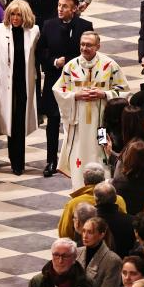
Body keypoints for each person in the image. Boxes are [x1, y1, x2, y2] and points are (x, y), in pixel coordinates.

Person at [53, 31, 128, 188]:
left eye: (89, 45)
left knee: (102, 154)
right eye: (82, 44)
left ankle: (103, 191)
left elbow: (124, 91)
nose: (84, 48)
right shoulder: (71, 66)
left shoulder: (110, 65)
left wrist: (104, 94)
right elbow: (58, 90)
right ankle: (80, 190)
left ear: (98, 46)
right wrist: (75, 95)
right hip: (79, 125)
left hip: (101, 124)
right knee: (78, 157)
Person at [38, 0, 94, 177]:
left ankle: (77, 159)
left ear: (74, 9)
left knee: (78, 121)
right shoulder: (49, 25)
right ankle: (51, 160)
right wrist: (54, 62)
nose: (60, 9)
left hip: (78, 81)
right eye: (59, 5)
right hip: (55, 80)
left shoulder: (85, 26)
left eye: (64, 6)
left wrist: (71, 63)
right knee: (53, 121)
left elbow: (89, 52)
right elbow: (41, 51)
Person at [0, 0, 41, 175]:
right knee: (10, 122)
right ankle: (14, 159)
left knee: (20, 122)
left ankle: (19, 161)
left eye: (18, 15)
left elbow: (37, 59)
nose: (15, 18)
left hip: (24, 82)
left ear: (25, 16)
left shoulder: (34, 31)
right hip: (5, 84)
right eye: (12, 14)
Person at [75, 217, 121, 287]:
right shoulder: (77, 252)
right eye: (84, 231)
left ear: (101, 235)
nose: (85, 236)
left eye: (90, 232)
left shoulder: (113, 261)